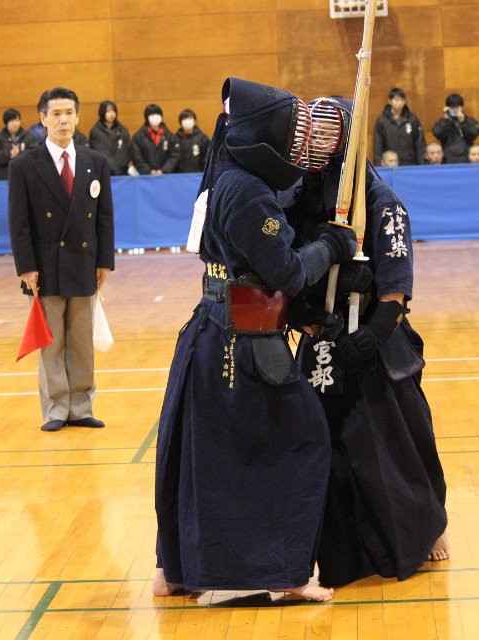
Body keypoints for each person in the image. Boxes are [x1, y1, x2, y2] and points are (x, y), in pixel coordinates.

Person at [153, 78, 358, 602]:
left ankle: (176, 569)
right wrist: (332, 246)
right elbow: (287, 272)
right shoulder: (246, 191)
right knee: (303, 440)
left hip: (213, 334)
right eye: (293, 137)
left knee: (200, 453)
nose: (300, 147)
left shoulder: (229, 177)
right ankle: (283, 573)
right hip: (241, 341)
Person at [284, 96, 448, 588]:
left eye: (328, 133)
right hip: (323, 340)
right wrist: (311, 319)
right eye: (312, 134)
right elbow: (289, 274)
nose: (318, 143)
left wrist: (371, 334)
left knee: (401, 439)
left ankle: (426, 525)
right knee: (321, 443)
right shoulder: (300, 200)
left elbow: (397, 290)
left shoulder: (382, 202)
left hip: (377, 341)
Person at [8, 87, 114, 433]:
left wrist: (104, 262)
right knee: (51, 342)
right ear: (43, 119)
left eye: (69, 113)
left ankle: (81, 406)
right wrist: (26, 267)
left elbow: (104, 217)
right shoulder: (24, 166)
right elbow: (19, 222)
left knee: (81, 342)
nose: (63, 120)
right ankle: (56, 408)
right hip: (45, 267)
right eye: (56, 114)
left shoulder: (96, 162)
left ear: (78, 116)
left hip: (84, 265)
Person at [372, 88, 426, 166]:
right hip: (390, 163)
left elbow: (420, 143)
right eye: (397, 100)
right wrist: (378, 166)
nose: (400, 103)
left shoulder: (412, 119)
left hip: (410, 162)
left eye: (402, 100)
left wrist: (422, 165)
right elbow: (378, 145)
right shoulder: (382, 121)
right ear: (390, 101)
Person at [431, 93, 479, 164]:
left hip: (466, 158)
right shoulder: (443, 122)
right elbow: (437, 132)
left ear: (461, 107)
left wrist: (463, 122)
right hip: (447, 159)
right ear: (447, 108)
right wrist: (446, 120)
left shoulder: (470, 121)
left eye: (456, 107)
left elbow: (473, 134)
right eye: (452, 107)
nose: (454, 110)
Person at [131, 104, 179, 175]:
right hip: (146, 176)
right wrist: (148, 171)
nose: (155, 117)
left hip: (166, 175)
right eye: (152, 115)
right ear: (146, 117)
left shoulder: (170, 136)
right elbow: (136, 156)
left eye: (157, 114)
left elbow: (174, 155)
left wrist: (164, 170)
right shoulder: (138, 137)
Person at [0, 108, 36, 180]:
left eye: (17, 120)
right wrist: (9, 153)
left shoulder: (29, 137)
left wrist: (19, 153)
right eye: (12, 121)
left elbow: (35, 155)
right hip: (5, 178)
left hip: (26, 178)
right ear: (6, 123)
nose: (15, 124)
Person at [88, 100, 132, 175]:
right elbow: (100, 153)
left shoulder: (123, 130)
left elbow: (126, 151)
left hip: (122, 172)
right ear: (102, 113)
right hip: (103, 171)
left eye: (113, 111)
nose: (112, 114)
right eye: (108, 111)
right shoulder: (95, 132)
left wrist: (118, 169)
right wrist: (114, 169)